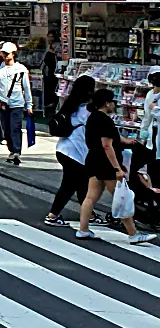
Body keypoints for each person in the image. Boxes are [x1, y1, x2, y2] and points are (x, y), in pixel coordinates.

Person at [76, 87, 156, 245]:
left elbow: (108, 139)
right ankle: (133, 233)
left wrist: (124, 141)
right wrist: (117, 168)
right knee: (122, 197)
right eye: (112, 101)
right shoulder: (105, 120)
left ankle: (83, 229)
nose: (115, 104)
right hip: (106, 164)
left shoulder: (93, 117)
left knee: (90, 197)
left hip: (93, 159)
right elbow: (107, 145)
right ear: (107, 103)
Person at [45, 73, 96, 226]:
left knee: (81, 184)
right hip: (75, 152)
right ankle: (52, 215)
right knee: (69, 185)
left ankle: (90, 215)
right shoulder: (87, 110)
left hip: (64, 149)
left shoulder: (70, 104)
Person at [0, 40, 31, 165]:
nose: (5, 55)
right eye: (3, 53)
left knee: (15, 127)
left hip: (17, 103)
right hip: (2, 102)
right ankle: (11, 150)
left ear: (13, 53)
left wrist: (29, 105)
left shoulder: (21, 69)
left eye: (7, 53)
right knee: (6, 129)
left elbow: (27, 87)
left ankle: (16, 151)